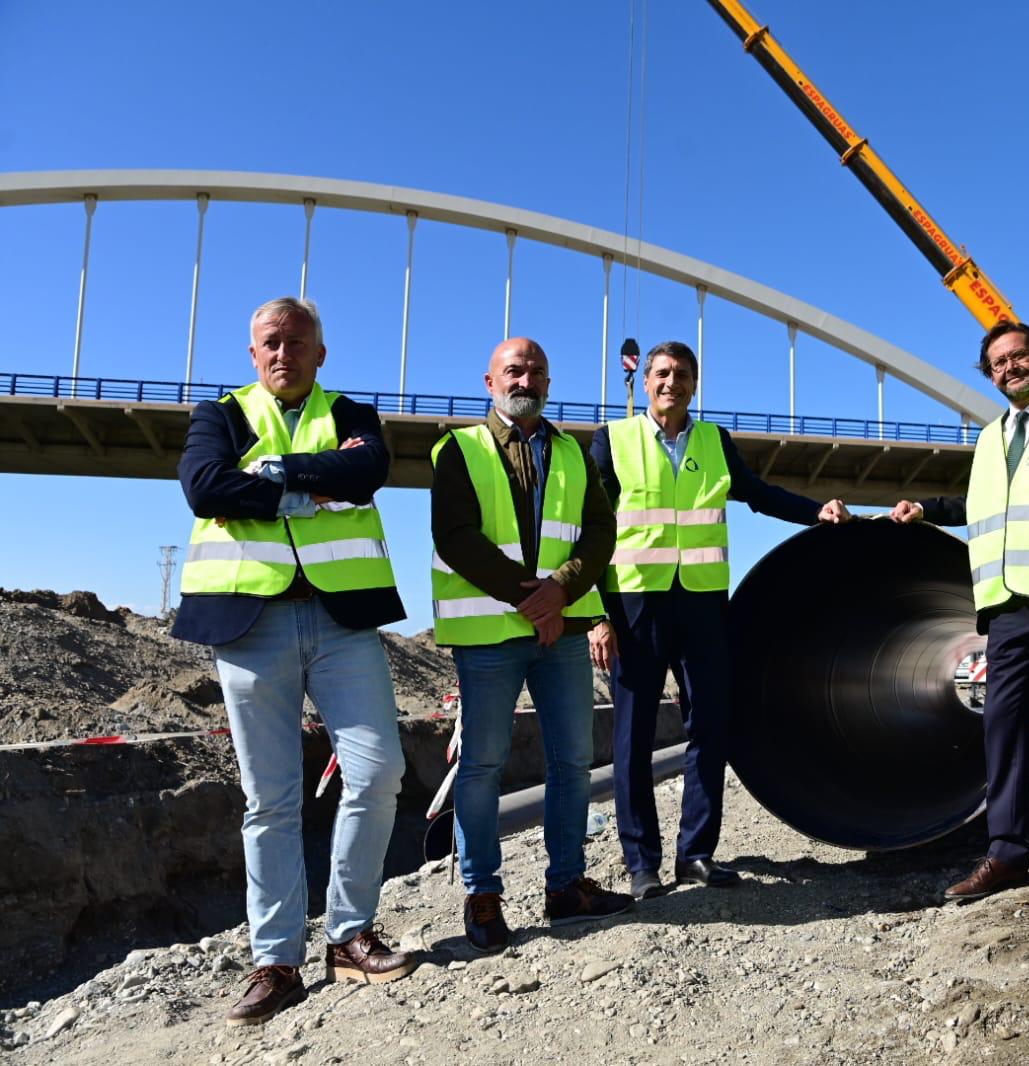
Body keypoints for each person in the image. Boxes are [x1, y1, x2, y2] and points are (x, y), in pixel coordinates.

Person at [174, 297, 416, 1026]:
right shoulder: (216, 416)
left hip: (342, 619)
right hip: (249, 623)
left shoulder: (354, 415)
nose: (283, 354)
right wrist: (309, 488)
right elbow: (202, 487)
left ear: (320, 353)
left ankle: (348, 936)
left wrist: (271, 473)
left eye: (297, 343)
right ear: (253, 354)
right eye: (270, 344)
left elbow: (368, 473)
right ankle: (275, 960)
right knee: (271, 799)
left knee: (379, 772)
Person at [588, 340, 851, 899]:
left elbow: (755, 494)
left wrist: (815, 512)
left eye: (681, 374)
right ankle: (642, 864)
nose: (670, 383)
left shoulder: (714, 440)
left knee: (710, 728)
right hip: (633, 604)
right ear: (647, 380)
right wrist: (595, 615)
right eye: (661, 373)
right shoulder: (613, 440)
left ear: (694, 383)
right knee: (632, 737)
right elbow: (590, 530)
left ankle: (696, 854)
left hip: (704, 603)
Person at [889, 321, 1029, 901]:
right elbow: (990, 506)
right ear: (988, 373)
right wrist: (929, 509)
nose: (1009, 368)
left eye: (1019, 357)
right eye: (998, 363)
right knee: (1002, 727)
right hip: (1006, 607)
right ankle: (1007, 850)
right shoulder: (990, 437)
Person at [430, 337, 633, 954]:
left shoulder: (573, 451)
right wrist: (532, 599)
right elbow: (455, 536)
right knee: (482, 765)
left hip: (564, 630)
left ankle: (566, 886)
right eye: (513, 370)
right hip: (492, 634)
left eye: (537, 370)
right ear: (489, 381)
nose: (527, 378)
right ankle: (483, 894)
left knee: (572, 761)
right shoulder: (458, 449)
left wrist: (562, 591)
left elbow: (601, 530)